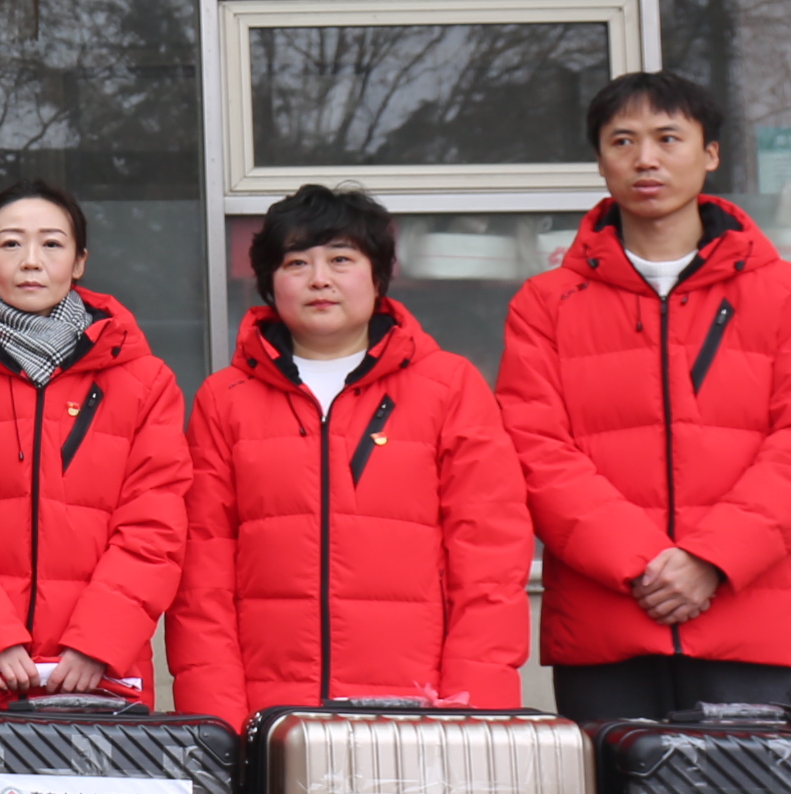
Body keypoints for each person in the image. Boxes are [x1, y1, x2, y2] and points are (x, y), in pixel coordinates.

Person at [499, 72, 791, 720]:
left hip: (750, 621)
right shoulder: (546, 304)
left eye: (668, 138)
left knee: (744, 790)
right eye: (623, 141)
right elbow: (534, 450)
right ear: (600, 160)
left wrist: (712, 560)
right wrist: (641, 563)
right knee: (613, 790)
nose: (646, 159)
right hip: (606, 625)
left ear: (710, 153)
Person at [169, 186, 528, 721]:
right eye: (297, 263)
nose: (320, 279)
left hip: (420, 713)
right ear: (269, 283)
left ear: (378, 276)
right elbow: (202, 578)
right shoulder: (224, 400)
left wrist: (471, 712)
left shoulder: (449, 387)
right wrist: (219, 725)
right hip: (272, 714)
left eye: (341, 259)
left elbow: (490, 562)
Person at [0, 180, 190, 708]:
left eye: (52, 243)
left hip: (101, 680)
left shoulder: (145, 382)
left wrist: (98, 642)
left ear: (79, 262)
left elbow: (154, 527)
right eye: (10, 243)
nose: (31, 260)